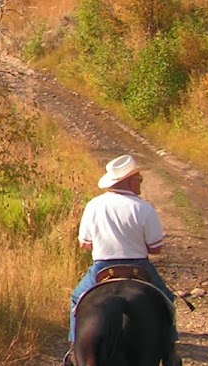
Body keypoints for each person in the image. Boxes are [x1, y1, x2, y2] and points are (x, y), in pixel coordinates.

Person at [64, 154, 178, 364]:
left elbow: (84, 244)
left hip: (102, 268)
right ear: (128, 181)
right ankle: (170, 353)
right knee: (167, 300)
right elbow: (156, 248)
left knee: (77, 299)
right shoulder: (144, 208)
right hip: (139, 266)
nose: (140, 182)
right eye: (138, 178)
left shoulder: (94, 206)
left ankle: (73, 351)